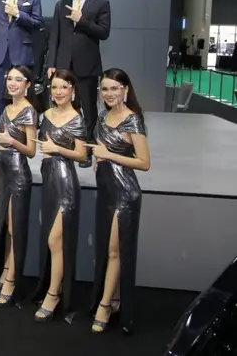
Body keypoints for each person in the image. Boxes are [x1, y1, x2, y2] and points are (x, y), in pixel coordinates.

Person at [88, 68, 150, 335]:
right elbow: (100, 149)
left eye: (114, 88)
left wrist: (109, 155)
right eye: (105, 88)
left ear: (125, 89)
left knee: (115, 251)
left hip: (125, 193)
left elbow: (144, 163)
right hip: (105, 190)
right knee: (107, 250)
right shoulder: (103, 116)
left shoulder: (132, 120)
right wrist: (98, 159)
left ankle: (105, 305)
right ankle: (113, 299)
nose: (109, 93)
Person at [31, 69, 88, 324]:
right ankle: (56, 287)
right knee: (53, 242)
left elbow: (83, 155)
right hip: (49, 183)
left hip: (66, 184)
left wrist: (57, 149)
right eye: (55, 87)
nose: (59, 91)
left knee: (54, 240)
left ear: (72, 91)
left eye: (64, 87)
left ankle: (53, 295)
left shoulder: (76, 118)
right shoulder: (46, 115)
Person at [46, 0, 111, 167]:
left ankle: (87, 150)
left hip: (87, 65)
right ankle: (65, 146)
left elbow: (104, 32)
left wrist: (82, 20)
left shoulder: (101, 4)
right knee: (64, 107)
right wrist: (51, 62)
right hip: (63, 65)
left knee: (89, 109)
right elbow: (55, 36)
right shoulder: (61, 4)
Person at [0, 64, 39, 307]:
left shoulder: (29, 111)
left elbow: (31, 150)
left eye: (18, 79)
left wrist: (12, 141)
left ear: (27, 85)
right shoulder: (7, 109)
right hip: (4, 173)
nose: (13, 83)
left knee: (15, 229)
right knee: (6, 227)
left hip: (19, 176)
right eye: (10, 79)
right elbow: (0, 147)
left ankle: (11, 280)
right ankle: (6, 271)